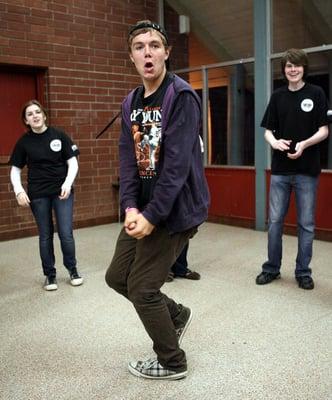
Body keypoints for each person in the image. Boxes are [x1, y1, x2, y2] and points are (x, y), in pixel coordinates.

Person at [105, 20, 209, 380]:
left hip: (174, 210)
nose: (147, 52)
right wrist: (131, 207)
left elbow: (177, 167)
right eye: (139, 46)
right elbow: (127, 160)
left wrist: (152, 215)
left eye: (154, 45)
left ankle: (172, 361)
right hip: (145, 208)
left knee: (143, 288)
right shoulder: (130, 102)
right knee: (117, 277)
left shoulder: (180, 97)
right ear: (132, 57)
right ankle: (176, 316)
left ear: (166, 53)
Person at [256, 48, 329, 290]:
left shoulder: (316, 93)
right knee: (275, 222)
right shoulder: (278, 97)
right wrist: (275, 142)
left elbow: (324, 130)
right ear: (284, 70)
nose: (293, 70)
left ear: (303, 68)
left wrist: (304, 144)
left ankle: (303, 272)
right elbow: (267, 130)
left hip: (307, 170)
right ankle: (271, 269)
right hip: (280, 171)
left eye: (296, 66)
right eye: (288, 66)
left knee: (306, 224)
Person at [9, 100, 83, 291]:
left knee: (66, 234)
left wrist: (67, 184)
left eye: (37, 112)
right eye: (29, 114)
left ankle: (73, 270)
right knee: (45, 235)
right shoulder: (24, 142)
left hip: (62, 193)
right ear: (26, 120)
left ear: (44, 115)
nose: (34, 116)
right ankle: (50, 276)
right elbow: (15, 170)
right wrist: (19, 191)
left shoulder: (59, 135)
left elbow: (73, 163)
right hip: (38, 194)